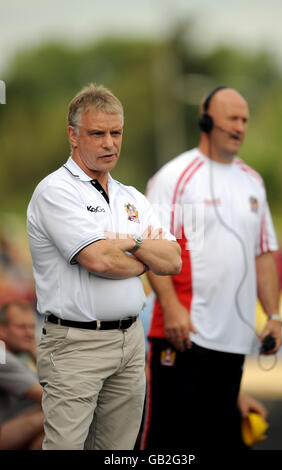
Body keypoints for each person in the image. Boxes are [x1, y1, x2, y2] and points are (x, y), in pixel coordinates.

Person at [26, 84, 181, 450]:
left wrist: (132, 242)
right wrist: (144, 257)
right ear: (73, 134)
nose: (109, 143)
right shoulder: (55, 191)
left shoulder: (132, 197)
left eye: (116, 133)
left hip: (129, 341)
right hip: (75, 344)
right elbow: (98, 260)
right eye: (97, 133)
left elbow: (172, 260)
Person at [140, 86, 282, 450]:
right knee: (168, 443)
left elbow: (264, 253)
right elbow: (153, 248)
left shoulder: (253, 181)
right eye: (232, 118)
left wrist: (275, 317)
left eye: (245, 120)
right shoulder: (174, 176)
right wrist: (171, 307)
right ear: (206, 120)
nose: (240, 127)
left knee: (219, 439)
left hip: (232, 340)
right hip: (183, 333)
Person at [0, 301, 44, 450]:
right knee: (62, 412)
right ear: (2, 330)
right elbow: (46, 396)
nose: (30, 334)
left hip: (11, 424)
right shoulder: (2, 357)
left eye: (32, 327)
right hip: (5, 431)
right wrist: (34, 351)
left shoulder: (13, 355)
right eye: (21, 327)